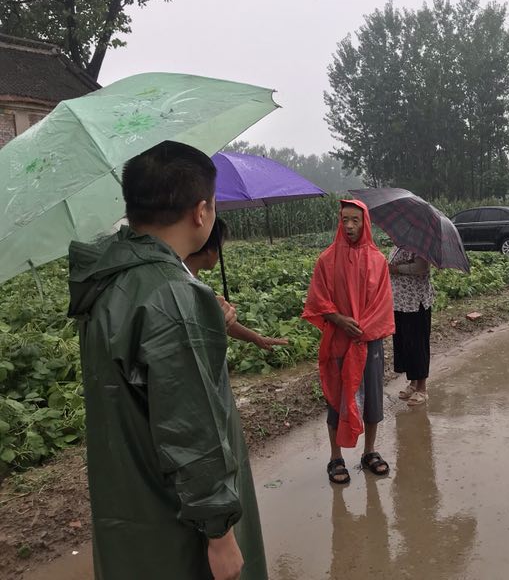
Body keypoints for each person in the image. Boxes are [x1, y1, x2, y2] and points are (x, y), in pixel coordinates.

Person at [67, 141, 267, 580]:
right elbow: (190, 426)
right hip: (177, 523)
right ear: (201, 211)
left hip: (130, 505)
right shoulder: (172, 295)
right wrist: (220, 534)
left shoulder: (110, 282)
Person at [302, 200, 395, 484]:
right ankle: (336, 457)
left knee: (373, 398)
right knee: (337, 397)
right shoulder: (327, 260)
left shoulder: (377, 261)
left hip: (369, 342)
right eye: (345, 220)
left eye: (355, 220)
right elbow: (318, 299)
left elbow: (383, 304)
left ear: (365, 223)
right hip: (339, 340)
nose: (350, 226)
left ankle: (369, 452)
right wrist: (339, 319)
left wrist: (363, 329)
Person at [185, 217, 289, 352]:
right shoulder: (186, 287)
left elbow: (220, 321)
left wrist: (256, 338)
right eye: (221, 247)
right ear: (210, 250)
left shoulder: (188, 277)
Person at [388, 245, 435, 406]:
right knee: (406, 343)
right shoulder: (399, 245)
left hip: (416, 302)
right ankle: (413, 383)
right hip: (400, 303)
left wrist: (397, 269)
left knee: (418, 344)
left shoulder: (421, 245)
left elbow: (422, 267)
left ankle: (422, 389)